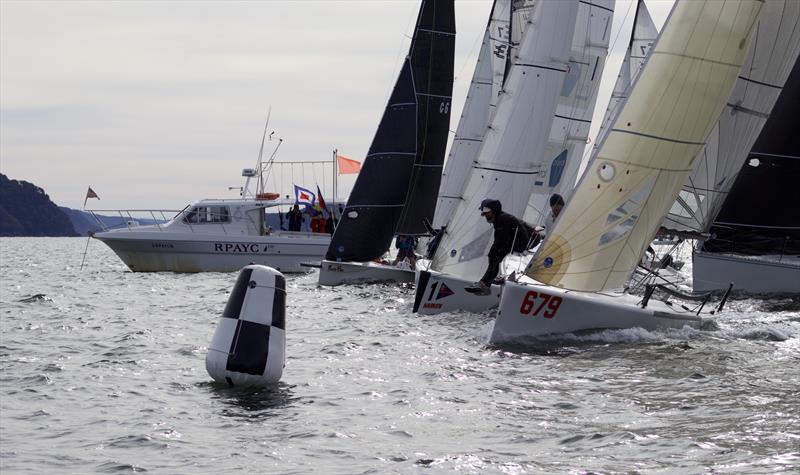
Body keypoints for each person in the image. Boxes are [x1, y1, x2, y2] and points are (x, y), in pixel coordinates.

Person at [465, 199, 536, 296]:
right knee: (494, 256)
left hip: (522, 243)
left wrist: (494, 252)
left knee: (495, 256)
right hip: (517, 241)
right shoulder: (499, 219)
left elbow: (500, 240)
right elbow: (500, 239)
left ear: (494, 211)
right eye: (484, 214)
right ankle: (485, 284)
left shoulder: (502, 219)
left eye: (487, 213)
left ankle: (485, 284)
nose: (485, 216)